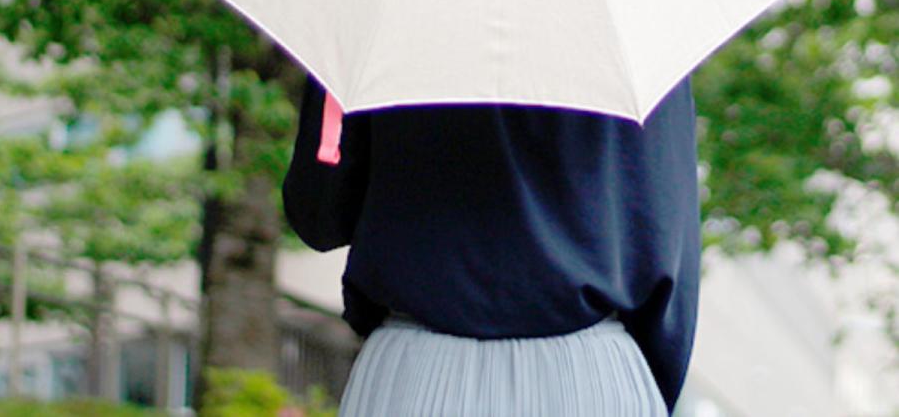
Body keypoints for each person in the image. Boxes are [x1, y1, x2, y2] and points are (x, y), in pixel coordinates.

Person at [282, 74, 700, 416]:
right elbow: (665, 237)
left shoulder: (389, 4)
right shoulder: (633, 24)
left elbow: (318, 214)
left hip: (416, 369)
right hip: (593, 371)